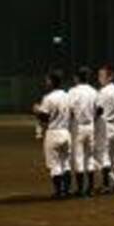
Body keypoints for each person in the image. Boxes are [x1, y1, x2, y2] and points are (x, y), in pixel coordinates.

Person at [33, 69, 72, 198]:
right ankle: (67, 191)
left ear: (51, 82)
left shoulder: (48, 98)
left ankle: (58, 192)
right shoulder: (67, 96)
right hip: (66, 132)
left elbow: (44, 118)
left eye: (47, 80)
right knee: (66, 163)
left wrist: (37, 111)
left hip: (53, 133)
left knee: (55, 165)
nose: (46, 82)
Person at [68, 66, 99, 197]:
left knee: (79, 158)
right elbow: (99, 109)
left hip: (78, 126)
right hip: (91, 126)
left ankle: (80, 189)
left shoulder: (73, 91)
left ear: (76, 78)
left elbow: (69, 110)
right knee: (90, 157)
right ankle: (90, 188)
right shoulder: (94, 91)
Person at [95, 65, 114, 193]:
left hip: (105, 125)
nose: (99, 78)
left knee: (104, 156)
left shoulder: (103, 92)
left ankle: (106, 185)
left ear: (110, 77)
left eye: (102, 75)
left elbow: (98, 110)